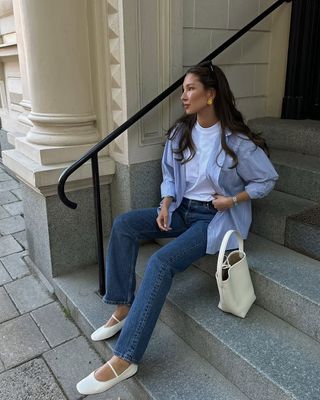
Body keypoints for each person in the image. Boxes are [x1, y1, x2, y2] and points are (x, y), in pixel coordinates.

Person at [76, 61, 279, 395]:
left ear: (210, 94)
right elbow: (170, 173)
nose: (183, 96)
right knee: (125, 224)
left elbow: (267, 178)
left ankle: (126, 358)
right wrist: (167, 201)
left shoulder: (237, 141)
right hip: (183, 210)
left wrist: (234, 199)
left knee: (161, 262)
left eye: (190, 89)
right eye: (183, 89)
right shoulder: (181, 132)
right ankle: (124, 306)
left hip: (214, 218)